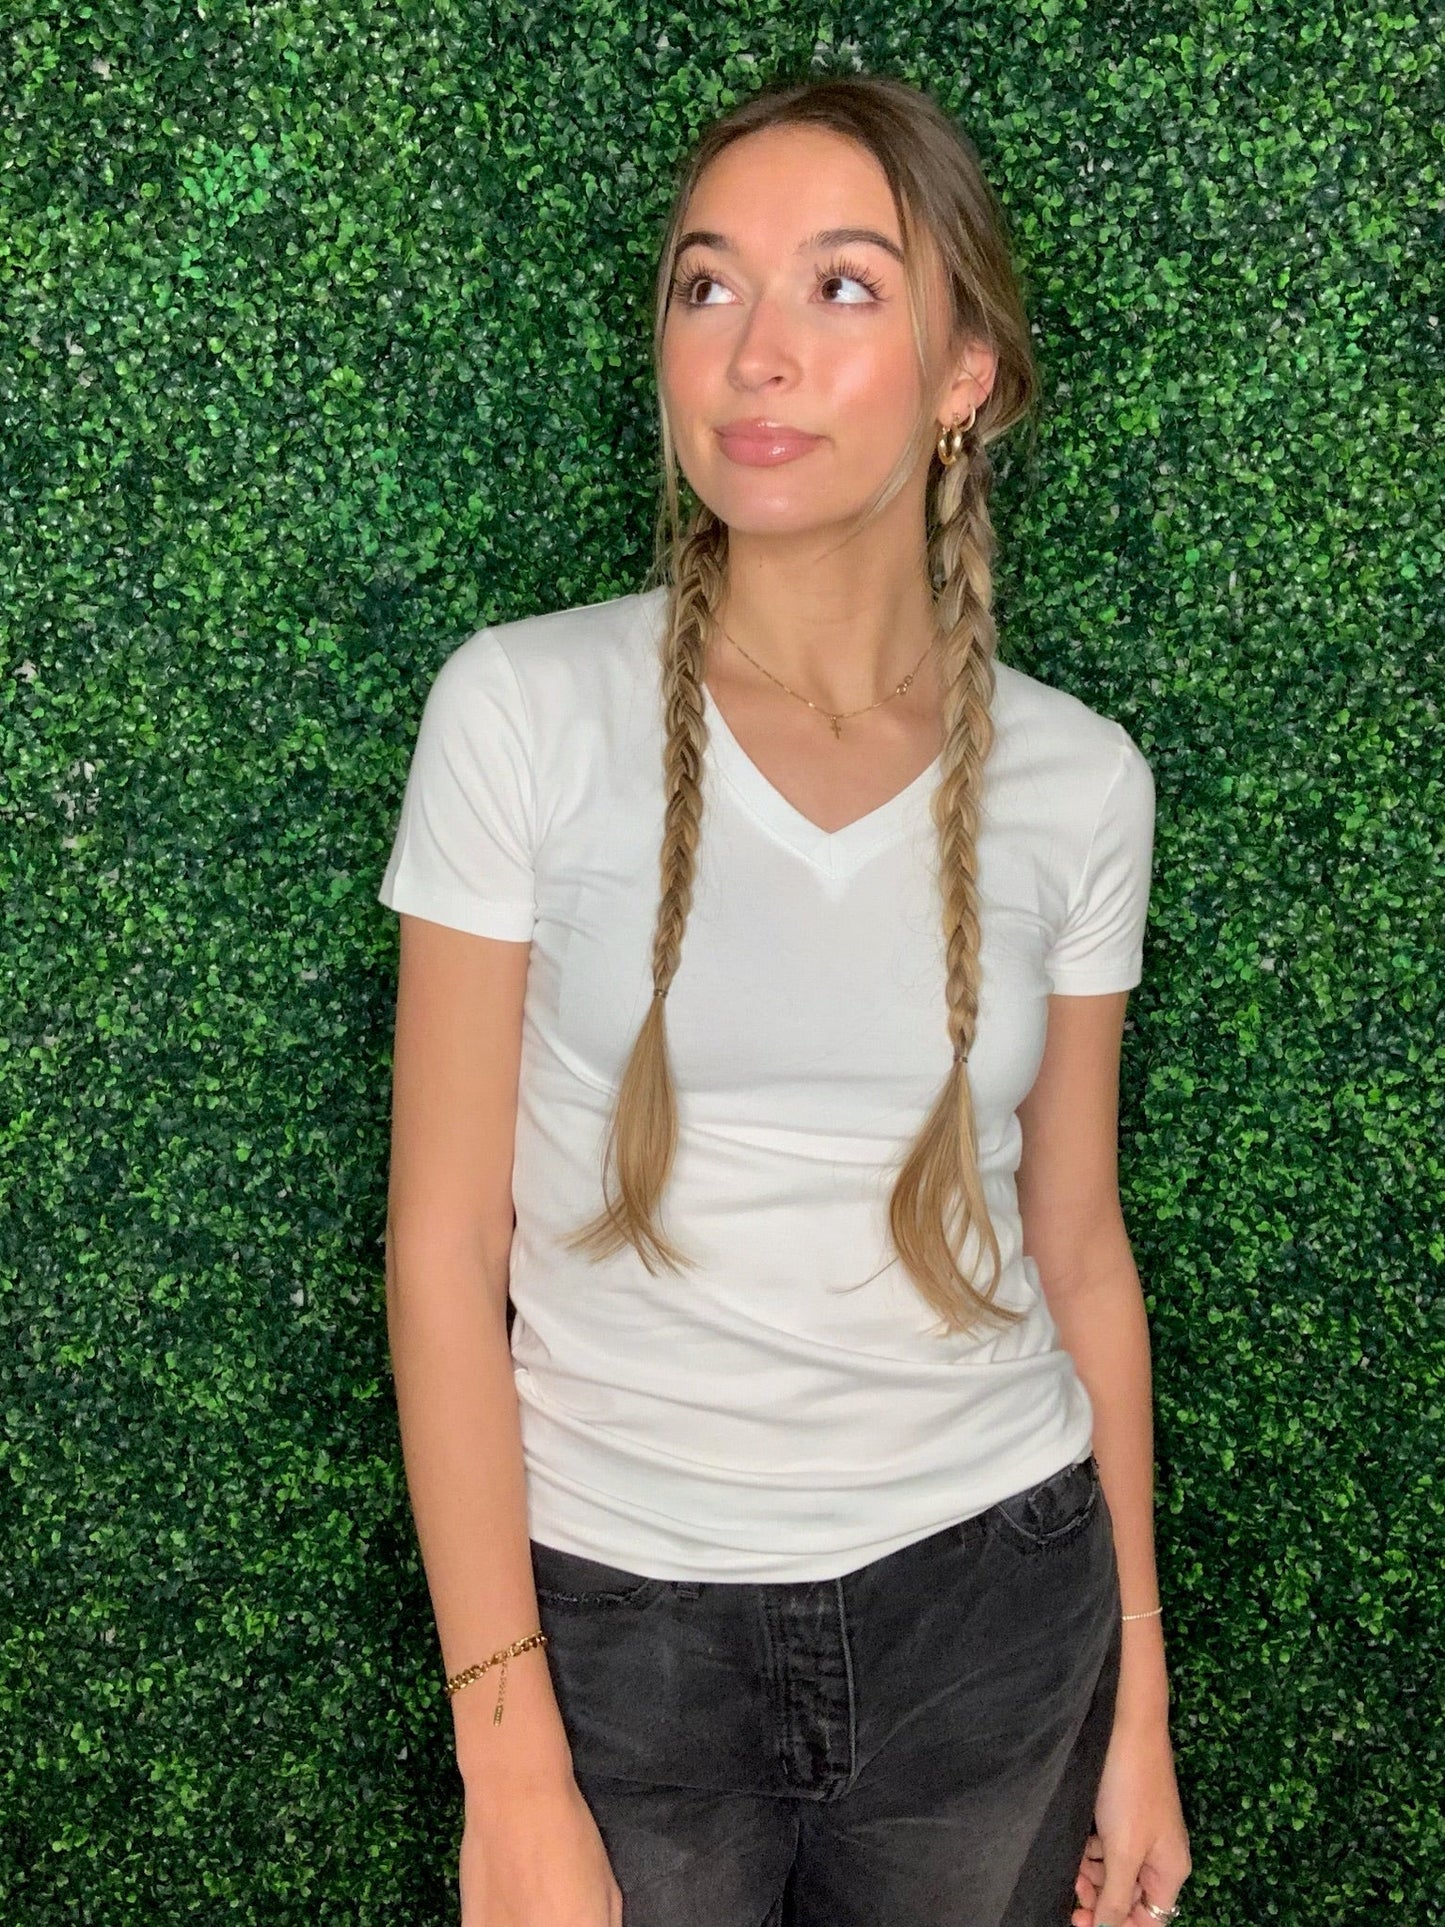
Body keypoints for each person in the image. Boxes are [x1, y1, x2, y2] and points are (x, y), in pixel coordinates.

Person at [377, 70, 1192, 1927]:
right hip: (620, 1631)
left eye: (840, 285)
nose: (753, 350)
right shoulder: (521, 712)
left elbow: (1078, 1250)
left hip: (998, 1612)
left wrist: (1138, 1699)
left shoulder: (1080, 782)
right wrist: (510, 1773)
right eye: (706, 284)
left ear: (964, 374)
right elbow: (442, 1243)